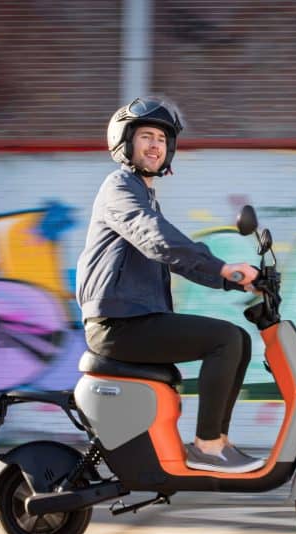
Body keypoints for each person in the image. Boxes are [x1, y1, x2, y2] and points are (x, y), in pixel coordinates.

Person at [76, 95, 264, 474]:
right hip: (118, 324)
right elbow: (157, 239)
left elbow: (172, 256)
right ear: (125, 142)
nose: (155, 146)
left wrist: (230, 282)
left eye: (162, 139)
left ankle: (216, 442)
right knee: (225, 340)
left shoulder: (144, 196)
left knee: (238, 340)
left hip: (135, 319)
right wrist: (224, 267)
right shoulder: (119, 188)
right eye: (146, 136)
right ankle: (208, 445)